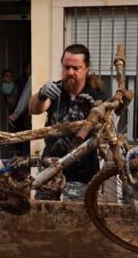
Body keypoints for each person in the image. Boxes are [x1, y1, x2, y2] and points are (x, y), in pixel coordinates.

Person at [29, 44, 106, 199]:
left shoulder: (97, 96)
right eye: (66, 67)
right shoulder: (56, 90)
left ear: (86, 68)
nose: (70, 72)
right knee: (43, 216)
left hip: (82, 173)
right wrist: (41, 94)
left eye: (76, 68)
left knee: (78, 220)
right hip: (51, 169)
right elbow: (34, 109)